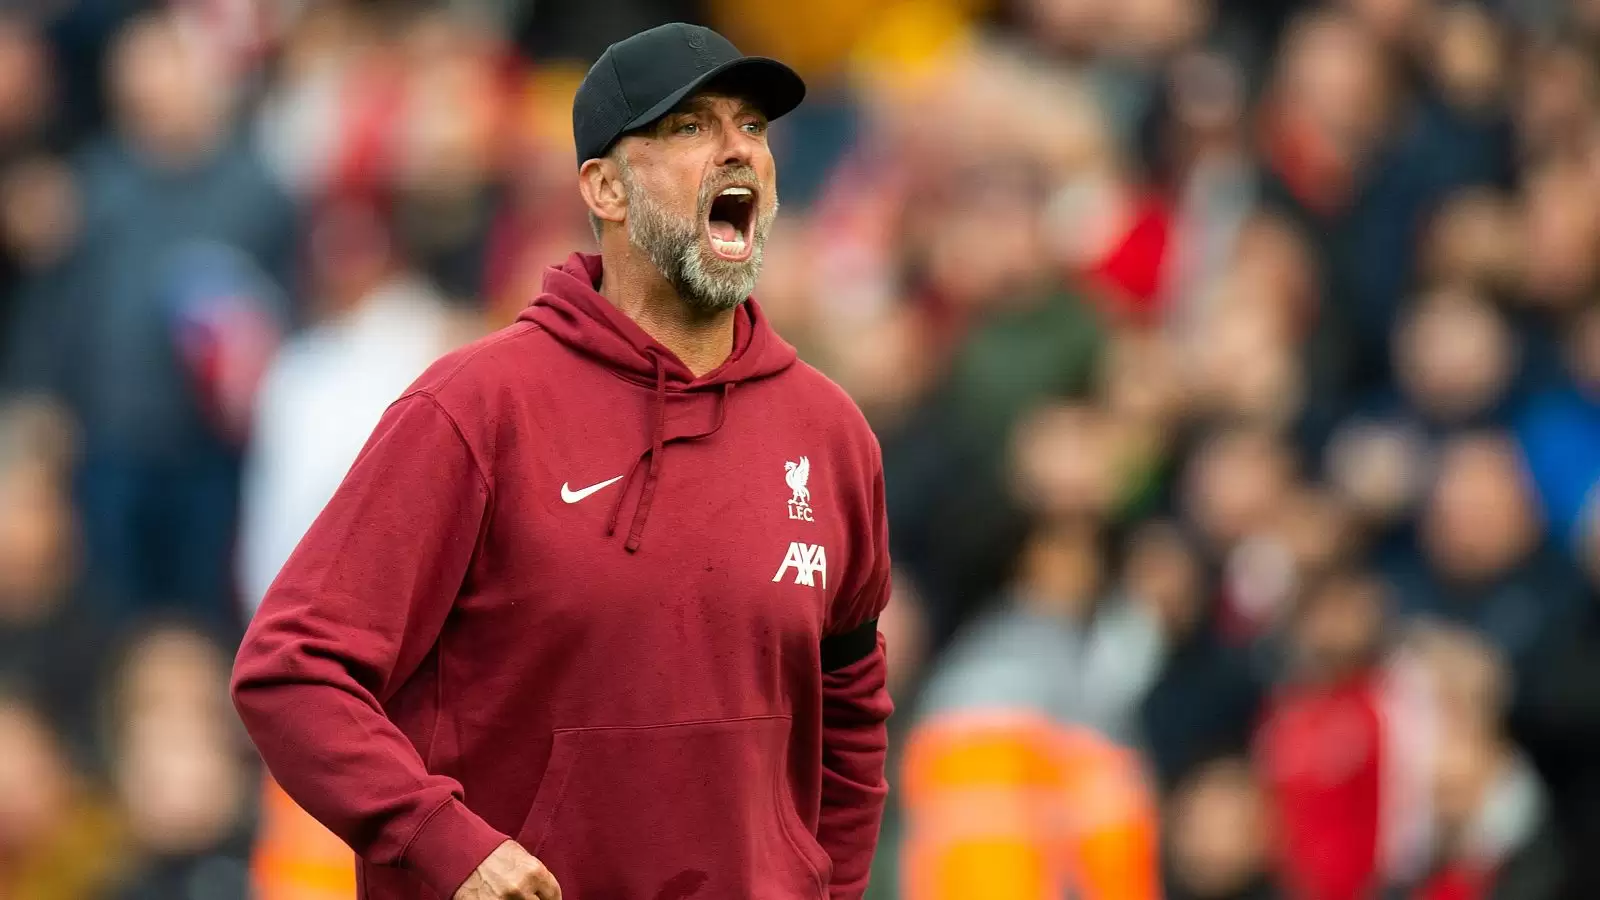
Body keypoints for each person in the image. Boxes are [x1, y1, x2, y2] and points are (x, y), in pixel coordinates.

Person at [231, 22, 893, 900]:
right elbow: (292, 669)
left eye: (752, 127)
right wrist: (445, 845)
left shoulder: (831, 433)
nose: (739, 150)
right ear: (606, 188)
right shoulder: (476, 408)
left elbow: (850, 708)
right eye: (691, 127)